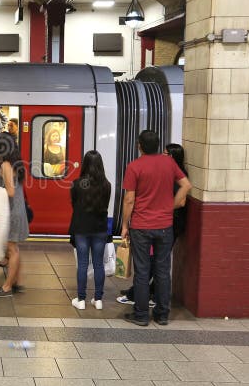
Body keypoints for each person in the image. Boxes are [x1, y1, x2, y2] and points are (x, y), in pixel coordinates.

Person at [120, 130, 191, 326]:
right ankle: (162, 315)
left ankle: (141, 315)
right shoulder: (169, 163)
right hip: (165, 226)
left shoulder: (134, 166)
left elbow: (129, 199)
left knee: (142, 272)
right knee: (162, 270)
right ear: (158, 146)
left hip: (141, 227)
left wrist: (125, 225)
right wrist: (171, 205)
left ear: (139, 146)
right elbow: (186, 185)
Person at [0, 133, 29, 298]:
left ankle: (7, 287)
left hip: (11, 212)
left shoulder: (5, 164)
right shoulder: (16, 163)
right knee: (14, 249)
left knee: (12, 250)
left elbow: (10, 192)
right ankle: (17, 281)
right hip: (18, 210)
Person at [69, 150, 111, 310]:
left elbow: (74, 204)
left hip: (81, 227)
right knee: (99, 264)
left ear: (85, 164)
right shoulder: (107, 185)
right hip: (100, 228)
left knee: (83, 264)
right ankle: (98, 299)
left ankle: (80, 300)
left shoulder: (77, 184)